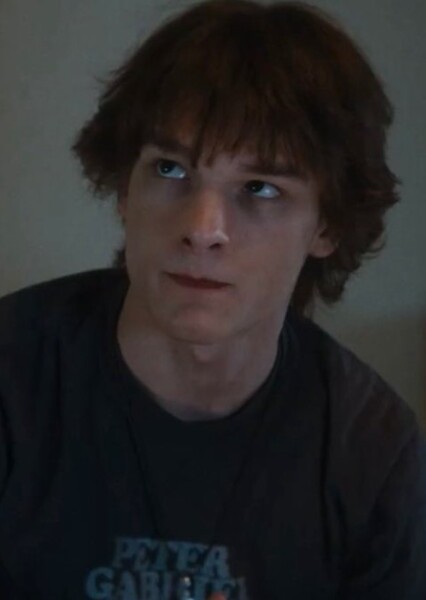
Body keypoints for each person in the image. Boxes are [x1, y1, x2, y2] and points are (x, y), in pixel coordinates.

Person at [0, 0, 425, 598]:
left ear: (327, 226)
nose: (203, 229)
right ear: (124, 191)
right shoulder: (12, 377)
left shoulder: (371, 449)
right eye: (170, 170)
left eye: (260, 188)